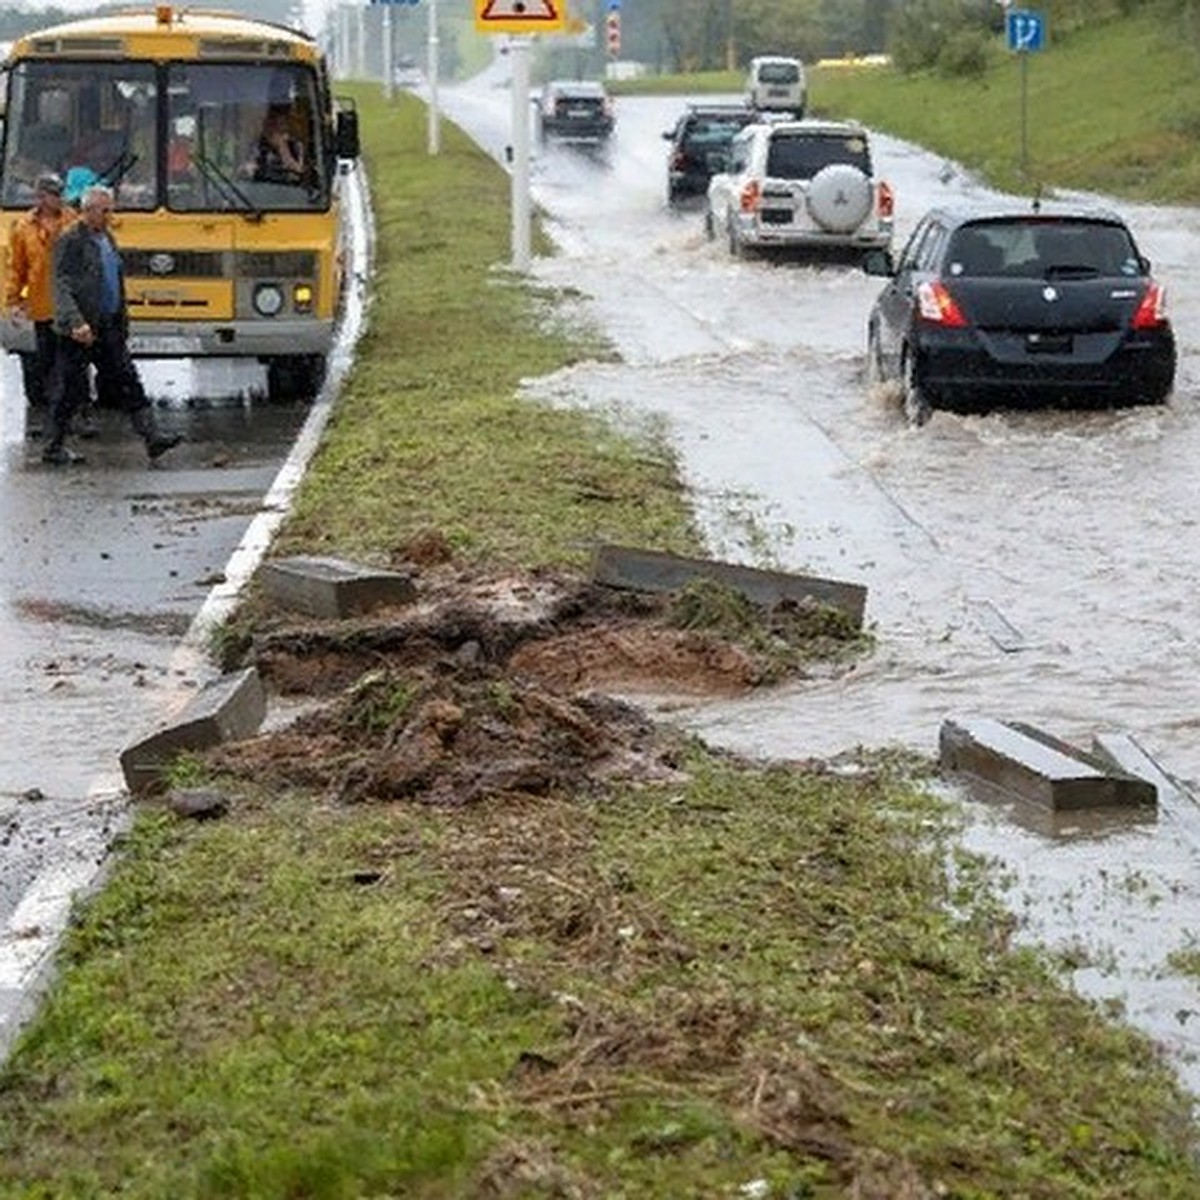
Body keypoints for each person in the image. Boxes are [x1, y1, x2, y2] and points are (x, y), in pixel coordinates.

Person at [45, 184, 183, 466]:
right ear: (88, 211)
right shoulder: (70, 240)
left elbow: (113, 282)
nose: (111, 215)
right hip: (80, 330)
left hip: (108, 325)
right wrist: (76, 322)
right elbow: (61, 285)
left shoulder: (106, 237)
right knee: (70, 390)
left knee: (128, 380)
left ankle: (152, 437)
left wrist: (122, 320)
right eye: (105, 210)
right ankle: (53, 446)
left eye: (111, 209)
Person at [3, 173, 78, 433]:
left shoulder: (73, 223)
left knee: (70, 362)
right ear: (41, 198)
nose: (59, 199)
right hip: (40, 306)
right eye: (53, 194)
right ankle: (45, 417)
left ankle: (74, 415)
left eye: (60, 194)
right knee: (43, 362)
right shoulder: (23, 227)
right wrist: (13, 300)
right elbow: (17, 268)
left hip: (70, 307)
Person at [250, 105, 306, 184]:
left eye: (279, 125)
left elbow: (300, 171)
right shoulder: (258, 145)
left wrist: (283, 148)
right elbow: (248, 166)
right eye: (271, 124)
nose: (273, 129)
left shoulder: (296, 146)